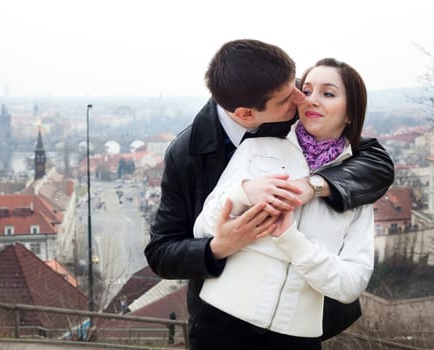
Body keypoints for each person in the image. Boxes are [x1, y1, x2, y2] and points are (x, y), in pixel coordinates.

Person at [144, 39, 394, 348]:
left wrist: (315, 186)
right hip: (220, 320)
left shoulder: (298, 114)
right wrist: (219, 244)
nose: (303, 98)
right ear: (248, 115)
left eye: (301, 85)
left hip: (299, 327)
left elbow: (376, 162)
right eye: (291, 95)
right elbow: (162, 252)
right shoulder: (191, 154)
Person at [193, 58, 373, 349]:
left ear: (351, 112)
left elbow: (351, 284)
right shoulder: (256, 148)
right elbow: (202, 229)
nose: (311, 100)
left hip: (297, 337)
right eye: (308, 89)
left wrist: (293, 242)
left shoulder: (356, 185)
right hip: (221, 323)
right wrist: (243, 193)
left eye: (328, 93)